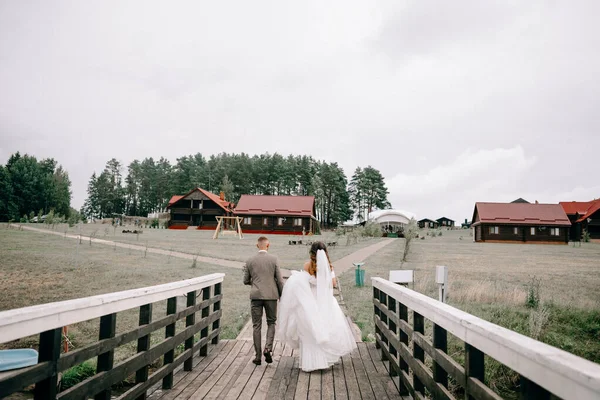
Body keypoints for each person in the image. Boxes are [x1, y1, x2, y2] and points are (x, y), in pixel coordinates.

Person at [277, 241, 357, 372]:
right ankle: (325, 359)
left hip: (309, 303)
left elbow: (302, 283)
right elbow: (334, 284)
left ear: (311, 252)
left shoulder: (307, 266)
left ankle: (311, 363)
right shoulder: (329, 267)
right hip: (325, 303)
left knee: (309, 334)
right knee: (327, 329)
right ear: (325, 252)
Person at [243, 236, 285, 365]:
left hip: (256, 296)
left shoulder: (250, 260)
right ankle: (268, 347)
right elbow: (280, 279)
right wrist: (282, 295)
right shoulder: (274, 259)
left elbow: (245, 280)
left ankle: (257, 357)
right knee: (271, 322)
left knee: (256, 325)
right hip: (271, 296)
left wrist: (255, 283)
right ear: (268, 245)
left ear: (257, 246)